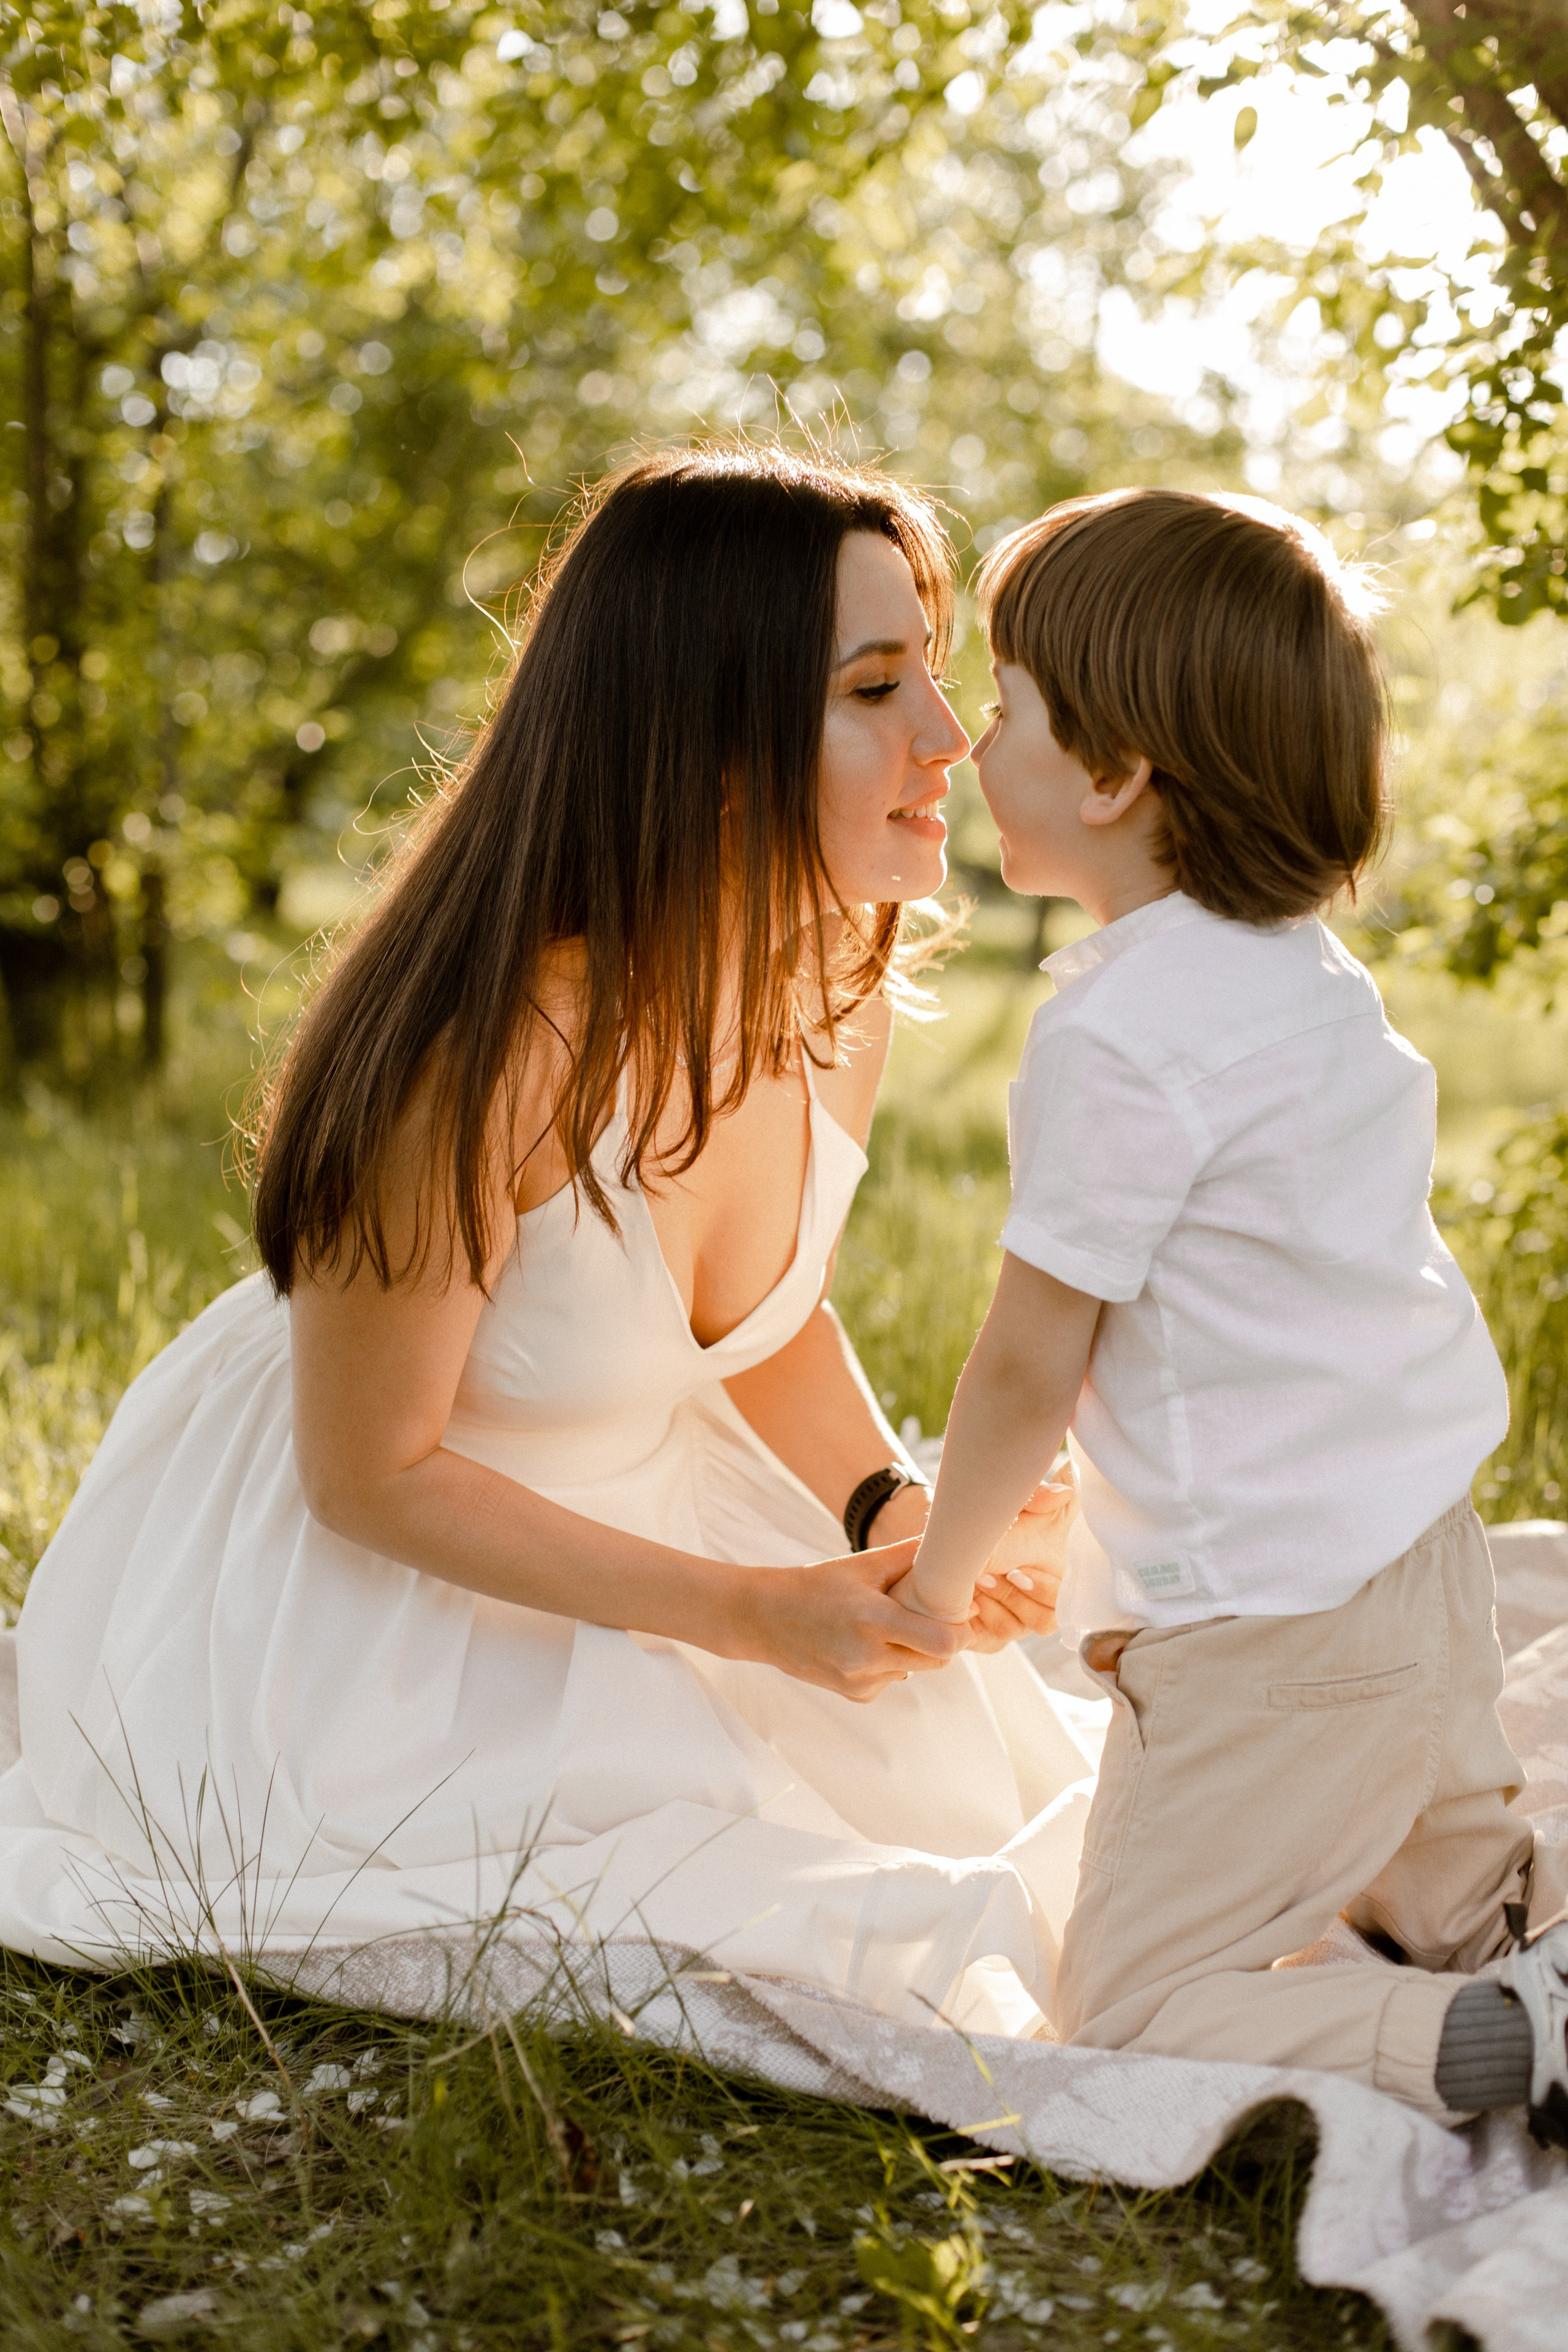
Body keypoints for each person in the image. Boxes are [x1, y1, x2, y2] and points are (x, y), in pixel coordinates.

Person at [0, 445, 1098, 2038]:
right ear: (707, 737)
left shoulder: (830, 990)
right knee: (748, 1887)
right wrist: (750, 1613)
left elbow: (764, 1322)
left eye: (932, 674)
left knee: (975, 1782)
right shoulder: (496, 1046)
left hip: (645, 1489)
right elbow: (370, 1473)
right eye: (878, 688)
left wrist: (893, 1507)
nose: (948, 737)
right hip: (379, 1568)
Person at [894, 485, 1568, 2141]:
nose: (971, 745)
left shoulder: (1119, 1034)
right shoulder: (1311, 979)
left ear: (1116, 775)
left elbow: (1032, 1358)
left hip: (1276, 1641)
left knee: (1121, 2006)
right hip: (1423, 1569)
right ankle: (1509, 1949)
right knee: (1458, 1884)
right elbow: (1264, 1310)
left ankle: (1469, 2044)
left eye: (1007, 708)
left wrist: (938, 1572)